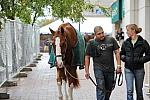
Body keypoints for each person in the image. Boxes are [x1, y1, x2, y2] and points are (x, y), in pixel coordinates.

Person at [84, 26, 122, 100]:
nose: (102, 35)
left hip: (110, 69)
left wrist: (119, 65)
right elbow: (87, 57)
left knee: (109, 88)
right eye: (99, 34)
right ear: (95, 34)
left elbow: (117, 52)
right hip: (98, 69)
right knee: (101, 86)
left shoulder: (111, 40)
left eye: (102, 33)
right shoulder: (91, 43)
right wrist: (87, 71)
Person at [120, 24, 150, 100]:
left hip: (139, 69)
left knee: (139, 91)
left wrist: (140, 60)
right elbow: (121, 54)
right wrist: (125, 58)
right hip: (128, 69)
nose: (126, 32)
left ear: (133, 30)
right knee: (129, 91)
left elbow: (149, 55)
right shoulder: (126, 42)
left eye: (128, 30)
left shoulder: (143, 42)